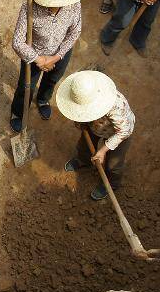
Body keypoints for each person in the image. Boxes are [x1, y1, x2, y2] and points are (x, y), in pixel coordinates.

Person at [10, 0, 89, 131]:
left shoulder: (74, 5)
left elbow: (75, 32)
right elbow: (18, 42)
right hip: (34, 55)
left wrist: (55, 57)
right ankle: (18, 112)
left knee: (52, 80)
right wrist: (38, 59)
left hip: (60, 54)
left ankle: (43, 100)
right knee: (26, 86)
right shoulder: (29, 9)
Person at [56, 71, 134, 201]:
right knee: (84, 146)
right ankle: (83, 160)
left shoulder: (117, 106)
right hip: (94, 126)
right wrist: (80, 121)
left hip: (118, 133)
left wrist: (103, 150)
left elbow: (124, 131)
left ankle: (111, 184)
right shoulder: (79, 94)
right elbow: (75, 110)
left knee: (113, 164)